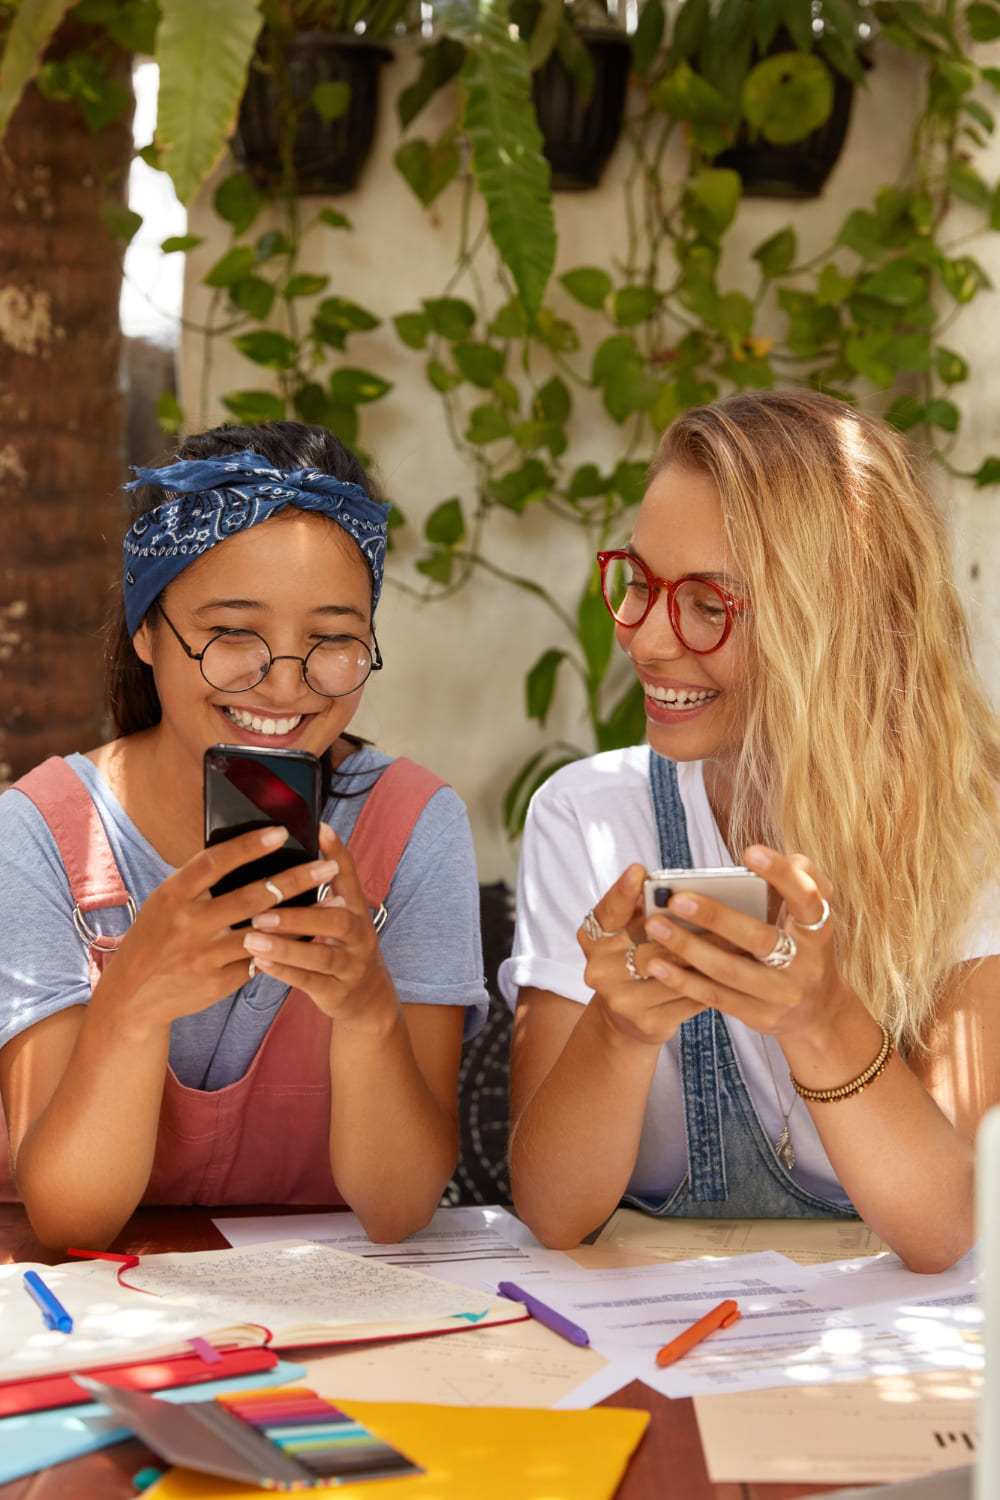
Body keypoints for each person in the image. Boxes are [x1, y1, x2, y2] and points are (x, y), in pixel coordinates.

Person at [501, 390, 1000, 1271]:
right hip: (645, 1323)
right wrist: (618, 1032)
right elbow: (553, 1212)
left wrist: (823, 1019)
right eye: (642, 585)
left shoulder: (967, 830)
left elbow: (947, 1226)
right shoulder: (586, 815)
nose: (647, 639)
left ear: (832, 623)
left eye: (707, 603)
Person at [0, 421, 488, 1250]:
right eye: (232, 634)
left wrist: (369, 1014)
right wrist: (131, 1003)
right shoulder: (41, 832)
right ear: (147, 631)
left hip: (332, 1305)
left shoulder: (412, 827)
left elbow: (400, 1210)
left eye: (334, 639)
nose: (286, 683)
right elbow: (72, 1216)